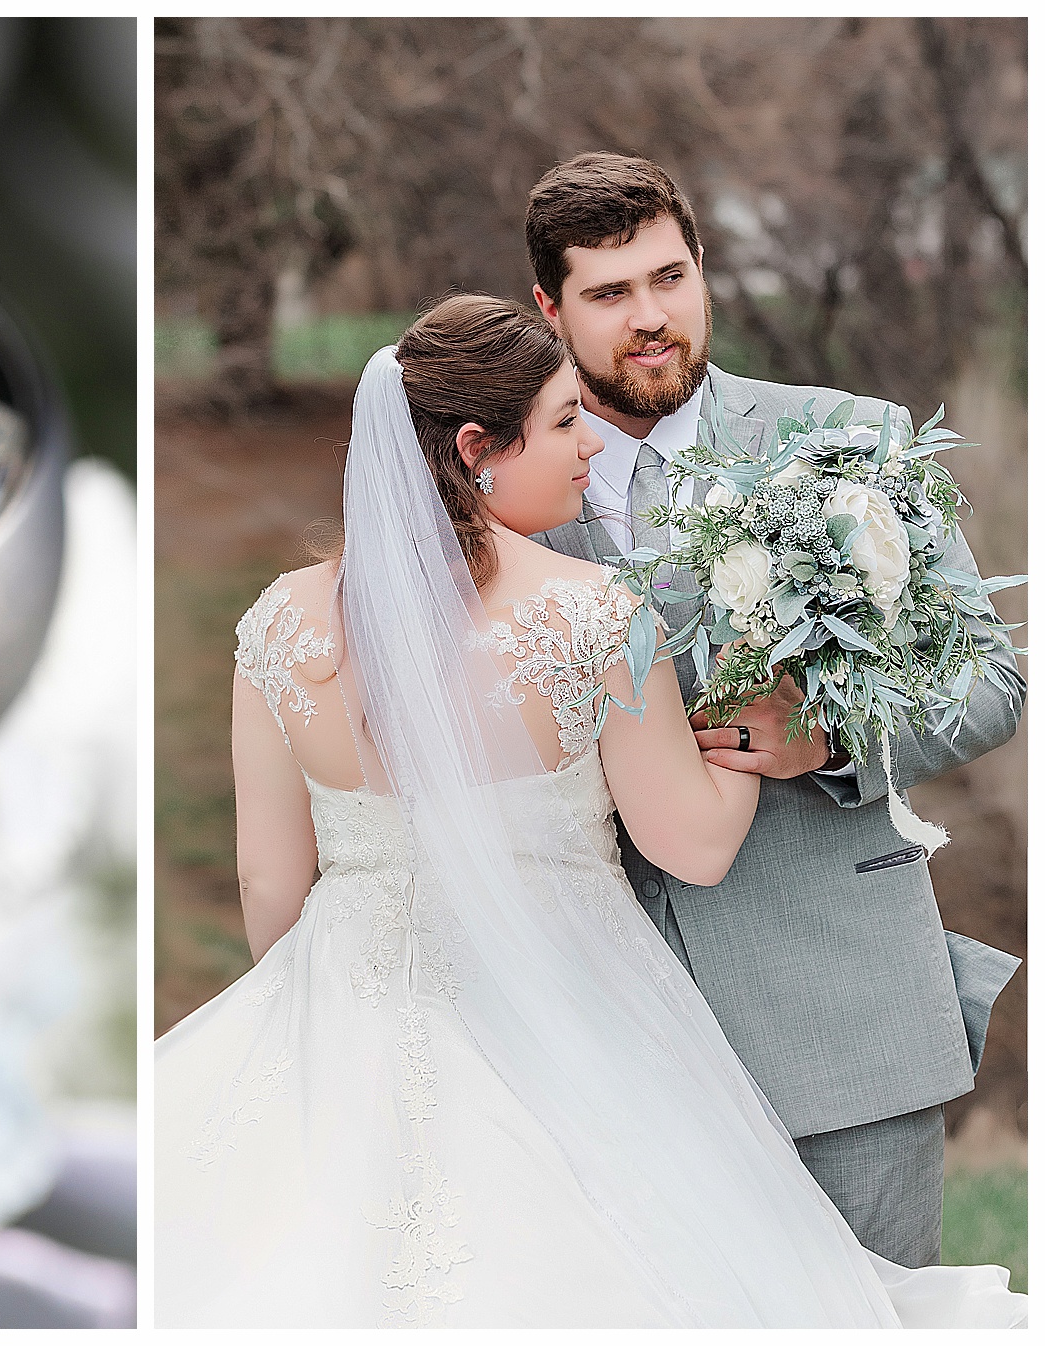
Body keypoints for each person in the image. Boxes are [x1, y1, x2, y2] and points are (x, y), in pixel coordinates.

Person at [154, 294, 1025, 1326]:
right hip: (574, 1022)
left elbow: (269, 883)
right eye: (565, 422)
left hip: (342, 1016)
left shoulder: (277, 625)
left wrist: (313, 1011)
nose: (588, 446)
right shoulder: (596, 613)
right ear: (478, 445)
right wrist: (753, 679)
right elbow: (693, 845)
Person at [524, 152, 1023, 1267]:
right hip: (615, 1041)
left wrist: (833, 737)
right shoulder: (503, 501)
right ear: (552, 308)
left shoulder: (851, 440)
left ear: (704, 268)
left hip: (848, 1016)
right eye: (609, 294)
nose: (650, 318)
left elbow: (993, 681)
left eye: (670, 277)